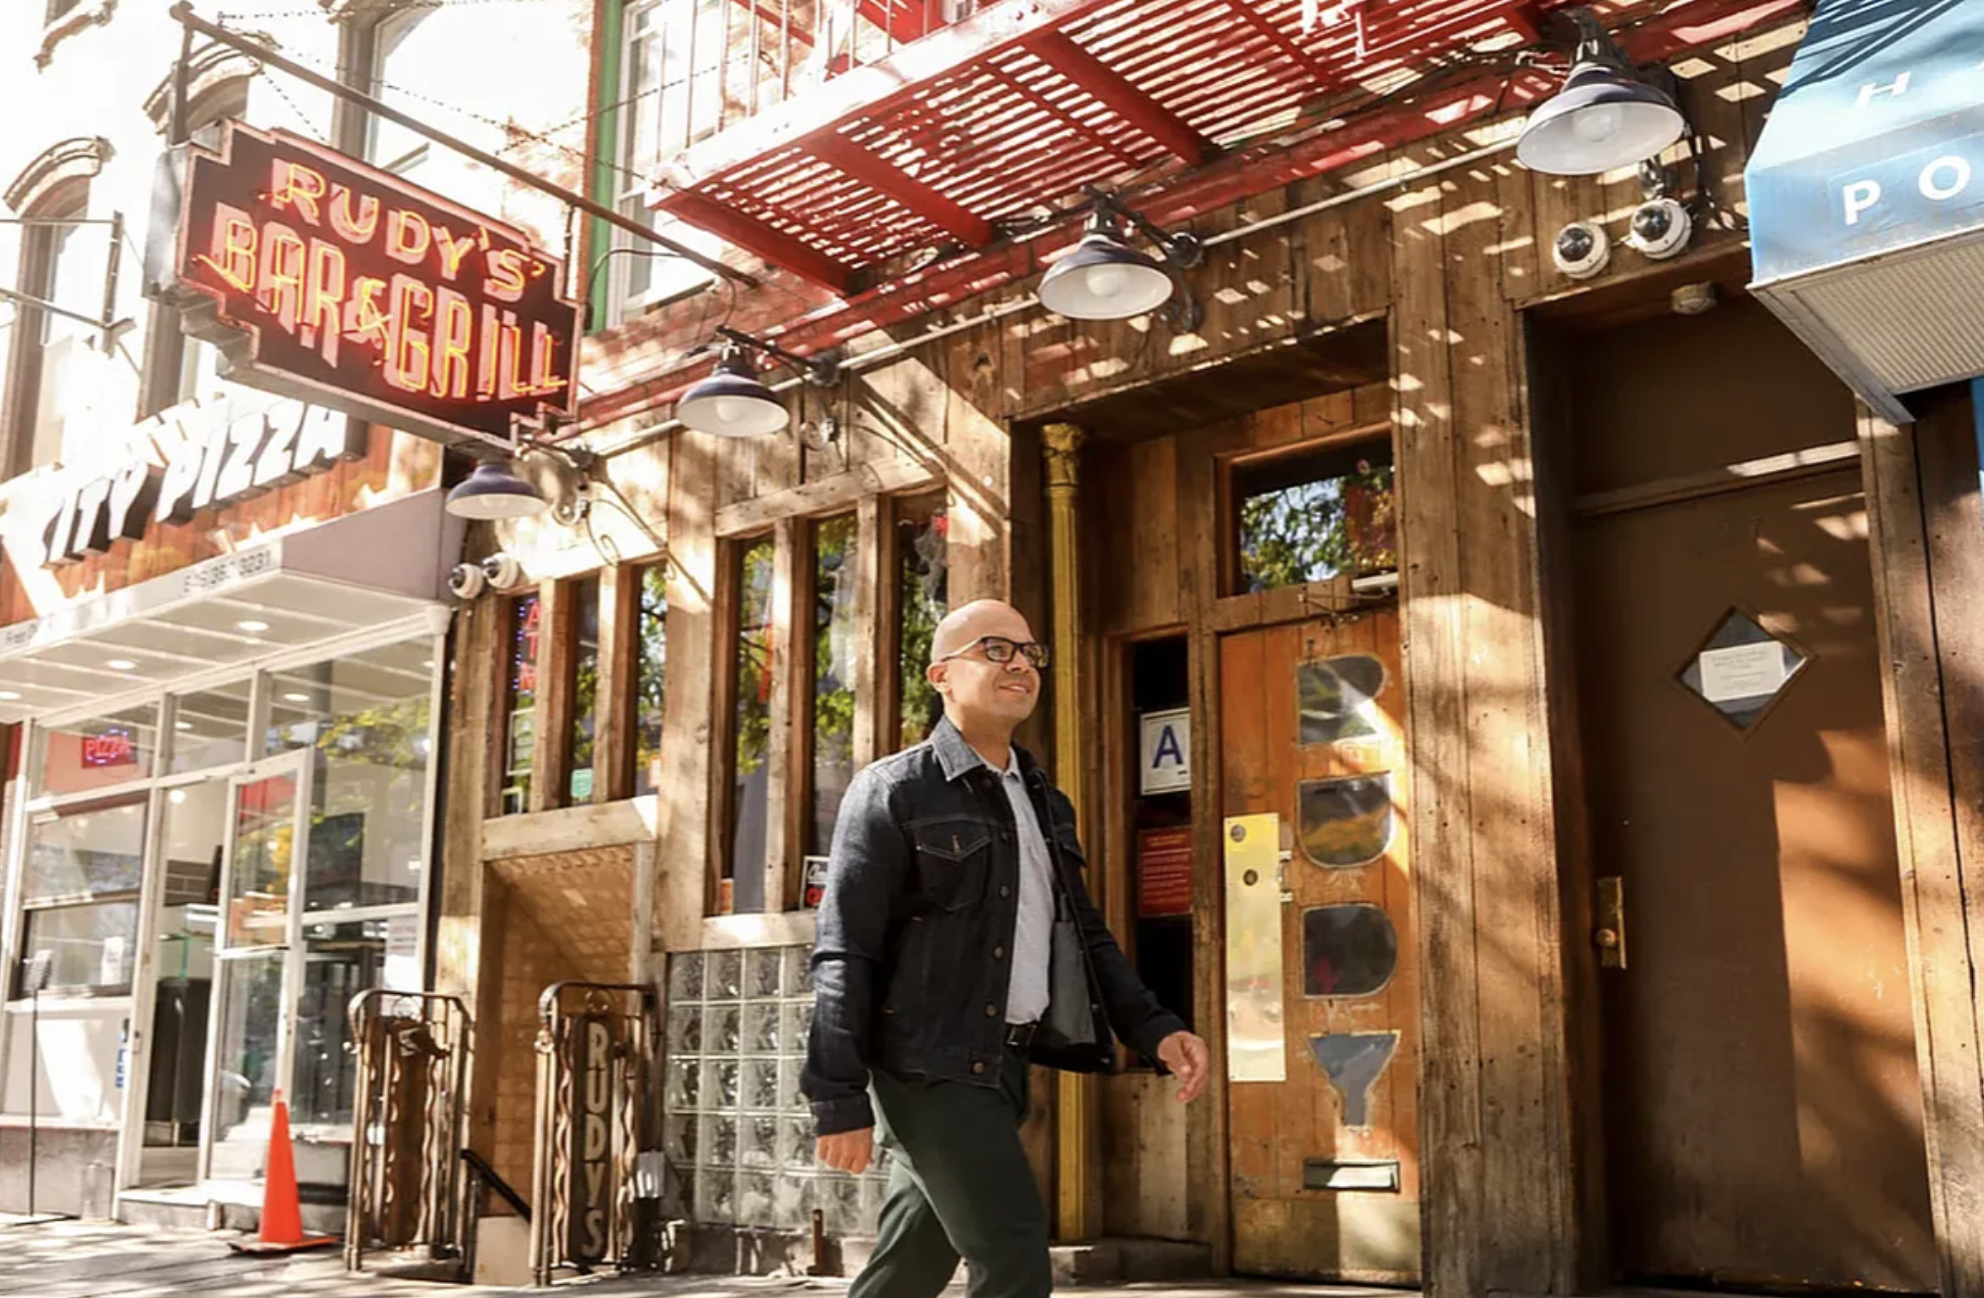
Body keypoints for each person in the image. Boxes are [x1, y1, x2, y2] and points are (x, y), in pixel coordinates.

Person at [804, 598, 1210, 1298]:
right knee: (1016, 1253)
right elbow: (847, 951)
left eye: (1029, 653)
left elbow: (1082, 933)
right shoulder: (892, 791)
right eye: (995, 650)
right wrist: (837, 1097)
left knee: (909, 1268)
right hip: (928, 1067)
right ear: (942, 676)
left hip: (1002, 1063)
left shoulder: (1044, 800)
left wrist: (1155, 1027)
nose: (1021, 663)